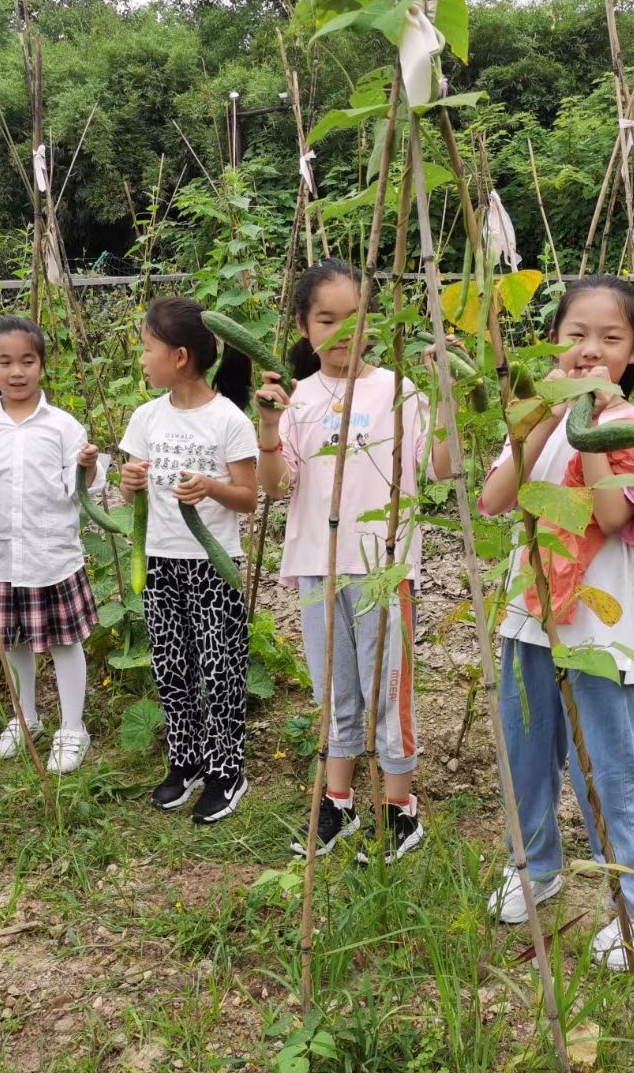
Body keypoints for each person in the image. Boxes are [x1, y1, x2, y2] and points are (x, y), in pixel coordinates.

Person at [477, 275, 634, 969]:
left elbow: (610, 518)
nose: (591, 349)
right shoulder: (535, 423)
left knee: (608, 768)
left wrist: (590, 421)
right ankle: (537, 869)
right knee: (525, 756)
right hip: (529, 616)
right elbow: (494, 499)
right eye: (577, 334)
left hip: (598, 632)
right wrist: (548, 414)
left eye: (611, 338)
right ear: (555, 342)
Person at [257, 258, 445, 862]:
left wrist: (445, 397)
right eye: (325, 319)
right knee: (335, 691)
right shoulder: (297, 400)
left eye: (355, 319)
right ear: (303, 325)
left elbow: (440, 469)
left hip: (383, 569)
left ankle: (400, 810)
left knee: (388, 690)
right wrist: (267, 425)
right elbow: (277, 485)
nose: (341, 334)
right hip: (318, 566)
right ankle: (337, 802)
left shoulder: (398, 391)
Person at [0, 316, 103, 774]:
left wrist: (87, 465)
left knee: (66, 643)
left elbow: (81, 491)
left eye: (27, 361)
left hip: (51, 556)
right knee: (11, 643)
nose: (16, 371)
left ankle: (73, 727)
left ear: (41, 364)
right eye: (4, 361)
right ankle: (26, 716)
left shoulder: (64, 426)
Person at [119, 296, 257, 824]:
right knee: (172, 665)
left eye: (146, 348)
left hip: (213, 563)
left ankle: (227, 770)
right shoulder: (145, 417)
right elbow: (136, 485)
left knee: (220, 669)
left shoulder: (229, 420)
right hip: (158, 558)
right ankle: (186, 761)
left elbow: (248, 497)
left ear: (178, 357)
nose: (141, 359)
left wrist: (212, 488)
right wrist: (129, 481)